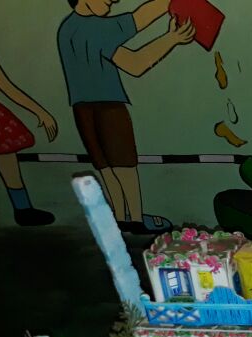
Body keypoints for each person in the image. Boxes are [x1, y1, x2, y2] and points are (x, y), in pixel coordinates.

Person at [57, 0, 194, 234]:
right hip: (109, 107)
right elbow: (135, 63)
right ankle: (136, 219)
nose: (114, 0)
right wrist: (172, 38)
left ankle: (121, 218)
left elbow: (133, 27)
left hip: (81, 109)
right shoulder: (96, 28)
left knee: (106, 167)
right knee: (124, 165)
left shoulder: (69, 28)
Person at [0, 31, 59, 228]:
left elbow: (4, 84)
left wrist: (39, 111)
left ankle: (23, 209)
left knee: (3, 158)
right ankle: (23, 209)